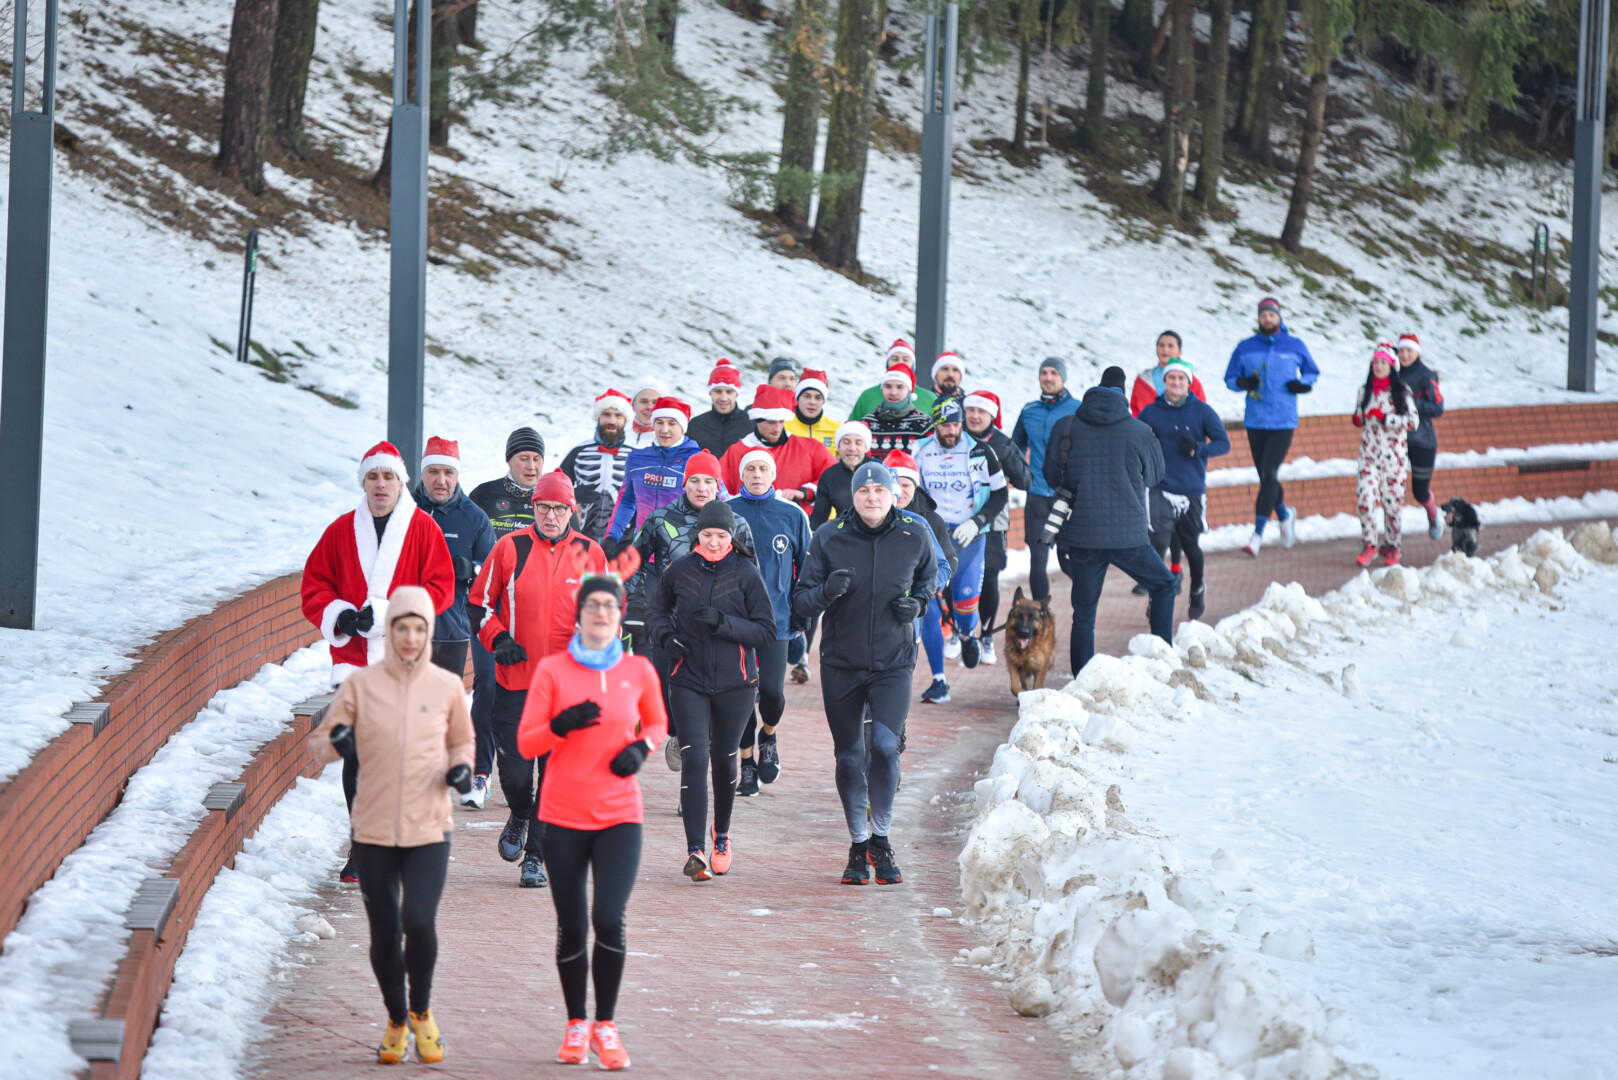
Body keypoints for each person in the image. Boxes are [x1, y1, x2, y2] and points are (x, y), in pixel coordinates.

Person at [310, 586, 473, 1065]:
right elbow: (320, 744)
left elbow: (462, 743)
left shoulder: (445, 686)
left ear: (428, 633)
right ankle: (397, 1019)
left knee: (418, 921)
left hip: (428, 828)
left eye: (419, 629)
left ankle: (421, 1010)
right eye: (401, 627)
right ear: (390, 631)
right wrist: (338, 741)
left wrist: (461, 769)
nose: (410, 637)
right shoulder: (361, 685)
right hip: (374, 831)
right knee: (384, 932)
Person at [515, 575, 665, 1071]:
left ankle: (607, 1025)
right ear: (579, 614)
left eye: (609, 605)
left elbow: (658, 723)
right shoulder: (553, 671)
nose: (601, 612)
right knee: (573, 923)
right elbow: (526, 742)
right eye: (592, 605)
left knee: (608, 917)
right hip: (562, 816)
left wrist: (640, 749)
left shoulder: (638, 670)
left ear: (620, 615)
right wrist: (559, 725)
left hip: (620, 815)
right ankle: (576, 1023)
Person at [302, 441, 456, 883]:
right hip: (353, 661)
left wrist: (393, 613)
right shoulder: (340, 531)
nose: (381, 484)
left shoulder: (423, 528)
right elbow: (315, 584)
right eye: (373, 476)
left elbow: (441, 588)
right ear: (363, 482)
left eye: (388, 476)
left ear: (401, 482)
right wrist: (341, 616)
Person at [792, 461, 935, 886]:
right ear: (852, 496)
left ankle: (881, 840)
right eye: (863, 490)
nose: (872, 497)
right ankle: (858, 844)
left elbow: (929, 580)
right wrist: (826, 591)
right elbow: (801, 601)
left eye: (880, 490)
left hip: (894, 661)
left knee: (887, 747)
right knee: (851, 756)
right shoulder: (829, 536)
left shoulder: (915, 533)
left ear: (893, 494)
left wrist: (918, 604)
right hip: (842, 663)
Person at [469, 472, 606, 889]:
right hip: (516, 682)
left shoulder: (591, 553)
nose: (550, 515)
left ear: (571, 511)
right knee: (514, 773)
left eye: (559, 509)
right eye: (543, 507)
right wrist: (499, 640)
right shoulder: (509, 548)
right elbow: (478, 605)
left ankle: (535, 858)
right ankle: (520, 812)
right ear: (534, 508)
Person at [647, 500, 777, 881]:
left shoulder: (746, 572)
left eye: (721, 535)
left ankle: (721, 835)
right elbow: (656, 612)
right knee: (694, 758)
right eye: (707, 534)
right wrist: (666, 638)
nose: (714, 542)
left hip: (736, 684)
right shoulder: (680, 570)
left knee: (723, 759)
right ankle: (695, 851)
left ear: (731, 536)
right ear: (697, 535)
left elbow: (766, 631)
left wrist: (723, 622)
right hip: (687, 679)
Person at [1044, 367, 1175, 675]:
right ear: (1123, 395)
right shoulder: (1140, 430)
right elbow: (1156, 476)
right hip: (1129, 538)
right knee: (1165, 585)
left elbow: (1052, 475)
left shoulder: (1067, 426)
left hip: (1082, 536)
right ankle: (1162, 661)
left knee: (1084, 613)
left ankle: (1082, 679)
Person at [623, 452, 757, 749]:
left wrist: (746, 624)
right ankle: (680, 736)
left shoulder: (737, 523)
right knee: (667, 704)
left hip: (720, 628)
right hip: (672, 626)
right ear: (684, 484)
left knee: (712, 707)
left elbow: (752, 578)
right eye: (694, 480)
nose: (701, 488)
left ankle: (698, 748)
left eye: (709, 481)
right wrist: (636, 604)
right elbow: (632, 563)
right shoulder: (660, 519)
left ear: (718, 485)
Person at [466, 427, 549, 817]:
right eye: (523, 459)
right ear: (509, 461)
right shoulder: (484, 496)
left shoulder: (551, 500)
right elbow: (468, 544)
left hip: (535, 614)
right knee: (487, 685)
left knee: (534, 692)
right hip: (491, 610)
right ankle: (481, 773)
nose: (531, 466)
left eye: (536, 459)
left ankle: (523, 775)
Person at [411, 437, 496, 807]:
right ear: (423, 474)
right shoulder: (405, 509)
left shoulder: (474, 517)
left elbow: (492, 572)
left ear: (457, 475)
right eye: (433, 471)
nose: (441, 480)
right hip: (405, 630)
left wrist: (471, 570)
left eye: (448, 472)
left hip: (451, 629)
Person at [727, 450, 811, 796]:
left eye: (763, 468)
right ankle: (747, 764)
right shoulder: (727, 511)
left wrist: (803, 609)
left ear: (773, 474)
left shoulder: (792, 513)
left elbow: (808, 566)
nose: (757, 474)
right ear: (741, 475)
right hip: (734, 621)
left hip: (778, 620)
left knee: (772, 692)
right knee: (741, 695)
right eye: (750, 469)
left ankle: (769, 736)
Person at [914, 399, 1007, 701]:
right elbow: (910, 492)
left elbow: (1000, 495)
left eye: (956, 425)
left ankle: (966, 634)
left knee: (965, 607)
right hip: (933, 537)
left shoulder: (980, 450)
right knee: (928, 606)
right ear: (935, 425)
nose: (951, 431)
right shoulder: (920, 451)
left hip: (969, 537)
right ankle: (939, 679)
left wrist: (977, 521)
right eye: (945, 426)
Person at [1223, 297, 1319, 557]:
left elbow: (1312, 372)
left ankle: (1257, 535)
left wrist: (1302, 384)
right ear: (1259, 318)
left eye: (1271, 315)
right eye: (1263, 315)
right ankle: (1285, 515)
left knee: (1268, 473)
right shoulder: (1245, 347)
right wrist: (1243, 383)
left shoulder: (1295, 345)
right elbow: (1230, 378)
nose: (1267, 319)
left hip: (1283, 421)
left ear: (1279, 317)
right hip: (1255, 420)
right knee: (1267, 477)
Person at [1138, 359, 1230, 621]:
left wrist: (1199, 449)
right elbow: (1136, 439)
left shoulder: (1202, 411)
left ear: (1188, 383)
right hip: (1159, 487)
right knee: (1157, 545)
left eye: (1181, 379)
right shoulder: (1151, 412)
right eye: (1171, 378)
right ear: (1164, 382)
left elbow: (1223, 443)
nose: (1176, 383)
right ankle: (1156, 597)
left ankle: (1197, 588)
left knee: (1191, 545)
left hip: (1191, 489)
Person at [962, 390, 1029, 665]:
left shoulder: (1002, 443)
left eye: (982, 411)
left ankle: (987, 635)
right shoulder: (955, 437)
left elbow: (1025, 481)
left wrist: (1008, 458)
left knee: (989, 577)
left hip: (992, 519)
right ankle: (962, 634)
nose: (975, 416)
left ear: (992, 415)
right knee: (956, 575)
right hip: (958, 516)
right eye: (971, 410)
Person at [1012, 358, 1082, 603]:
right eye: (1044, 372)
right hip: (1038, 495)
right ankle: (1041, 615)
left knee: (1068, 560)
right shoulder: (1029, 410)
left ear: (1063, 378)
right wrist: (1021, 473)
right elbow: (1016, 445)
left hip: (1069, 496)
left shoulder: (1078, 409)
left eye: (1054, 373)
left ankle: (1085, 609)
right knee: (1038, 560)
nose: (1048, 377)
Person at [887, 450, 957, 686]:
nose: (900, 491)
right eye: (895, 484)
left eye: (906, 485)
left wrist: (927, 587)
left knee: (932, 614)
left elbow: (949, 561)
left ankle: (939, 677)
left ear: (915, 487)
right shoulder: (869, 512)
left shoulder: (930, 520)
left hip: (918, 596)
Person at [602, 397, 701, 556]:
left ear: (683, 428)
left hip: (683, 554)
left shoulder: (698, 460)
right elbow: (627, 501)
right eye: (659, 422)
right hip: (642, 550)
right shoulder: (637, 459)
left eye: (672, 423)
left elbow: (720, 505)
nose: (664, 430)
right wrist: (612, 536)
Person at [1352, 344, 1420, 567]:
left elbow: (1413, 422)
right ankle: (1369, 544)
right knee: (1365, 500)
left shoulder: (1401, 391)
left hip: (1394, 460)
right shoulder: (1365, 391)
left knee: (1392, 506)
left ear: (1391, 366)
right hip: (1369, 457)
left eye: (1383, 363)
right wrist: (1358, 418)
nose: (1379, 366)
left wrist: (1386, 418)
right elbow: (1360, 414)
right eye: (1376, 362)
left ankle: (1393, 545)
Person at [719, 385, 834, 511]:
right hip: (748, 520)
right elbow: (720, 488)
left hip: (799, 520)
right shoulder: (736, 451)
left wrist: (805, 492)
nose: (777, 428)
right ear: (758, 420)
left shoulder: (810, 447)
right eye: (771, 422)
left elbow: (834, 477)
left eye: (781, 421)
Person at [559, 389, 634, 545]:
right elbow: (555, 488)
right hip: (580, 539)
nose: (612, 421)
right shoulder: (578, 452)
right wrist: (574, 493)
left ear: (625, 421)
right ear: (598, 417)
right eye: (606, 414)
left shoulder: (636, 456)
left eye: (618, 415)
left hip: (622, 542)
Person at [1396, 333, 1445, 540]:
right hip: (1397, 440)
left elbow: (1438, 407)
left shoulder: (1426, 375)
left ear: (1417, 352)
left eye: (1409, 351)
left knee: (1420, 491)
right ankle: (1392, 535)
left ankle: (1433, 515)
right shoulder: (1394, 374)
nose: (1405, 355)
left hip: (1422, 441)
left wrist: (1413, 405)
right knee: (1392, 489)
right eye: (1401, 351)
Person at [849, 338, 939, 420]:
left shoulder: (929, 398)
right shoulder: (868, 396)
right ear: (887, 364)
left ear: (913, 365)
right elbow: (852, 428)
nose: (900, 363)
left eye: (905, 360)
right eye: (895, 359)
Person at [809, 422, 875, 530]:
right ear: (838, 446)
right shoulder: (829, 476)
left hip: (877, 533)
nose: (852, 448)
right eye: (846, 442)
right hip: (843, 533)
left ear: (866, 447)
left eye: (858, 443)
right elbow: (818, 519)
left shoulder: (880, 471)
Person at [861, 364, 934, 461]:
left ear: (909, 390)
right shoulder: (867, 422)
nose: (893, 392)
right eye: (888, 386)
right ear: (882, 389)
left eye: (900, 387)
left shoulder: (923, 423)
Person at [1129, 331, 1208, 417]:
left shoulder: (1191, 381)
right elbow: (1135, 410)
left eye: (1170, 346)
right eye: (1161, 345)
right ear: (1156, 349)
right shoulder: (1142, 379)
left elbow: (1201, 412)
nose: (1165, 349)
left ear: (1179, 352)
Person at [688, 358, 753, 456]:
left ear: (736, 393)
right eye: (718, 391)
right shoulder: (695, 426)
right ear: (710, 393)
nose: (723, 398)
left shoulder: (752, 425)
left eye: (729, 392)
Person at [785, 368, 842, 449]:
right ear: (798, 398)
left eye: (818, 398)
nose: (812, 402)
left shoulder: (837, 431)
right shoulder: (782, 427)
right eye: (807, 396)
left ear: (823, 401)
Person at [927, 351, 967, 422]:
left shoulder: (968, 406)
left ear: (961, 376)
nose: (950, 374)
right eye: (945, 369)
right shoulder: (925, 400)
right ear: (936, 375)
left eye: (955, 370)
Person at [626, 379, 663, 448]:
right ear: (633, 405)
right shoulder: (618, 434)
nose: (650, 407)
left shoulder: (667, 442)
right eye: (644, 401)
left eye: (655, 402)